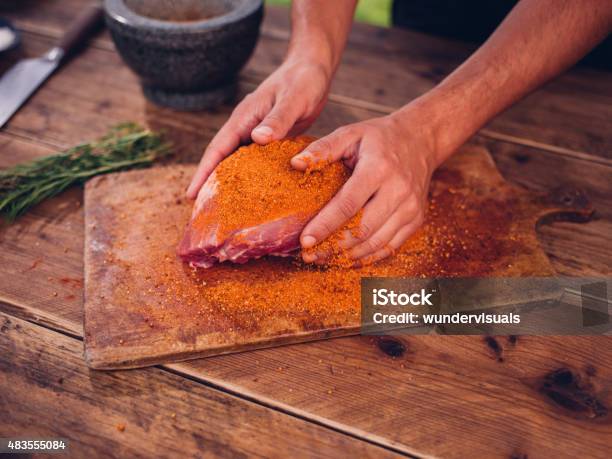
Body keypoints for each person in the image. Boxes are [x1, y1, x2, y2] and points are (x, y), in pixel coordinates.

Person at [186, 0, 612, 265]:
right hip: (421, 35)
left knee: (581, 307)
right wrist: (310, 53)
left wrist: (426, 134)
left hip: (577, 79)